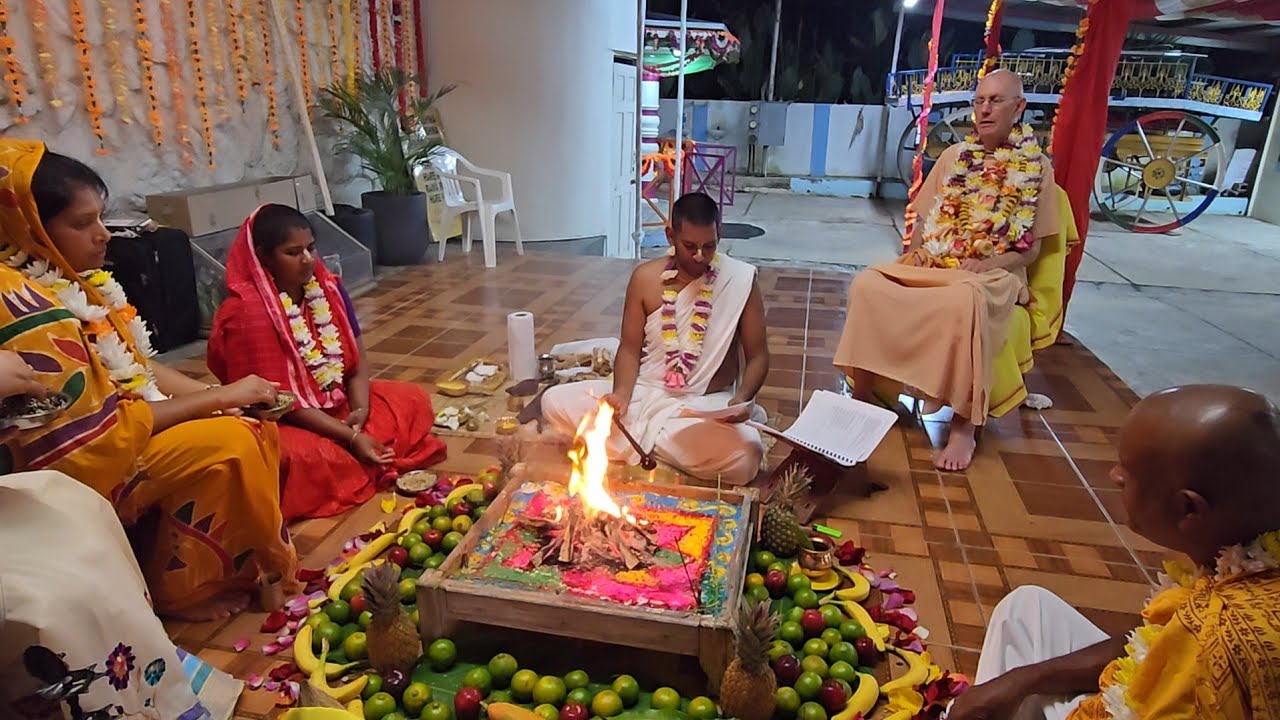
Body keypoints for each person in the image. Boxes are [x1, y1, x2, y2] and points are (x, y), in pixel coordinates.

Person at [0, 139, 299, 621]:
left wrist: (217, 396)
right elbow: (102, 434)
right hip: (82, 467)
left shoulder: (72, 278)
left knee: (243, 418)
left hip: (121, 431)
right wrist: (220, 399)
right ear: (29, 225)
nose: (103, 236)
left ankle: (237, 567)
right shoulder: (28, 304)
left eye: (102, 217)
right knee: (233, 440)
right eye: (82, 224)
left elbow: (138, 368)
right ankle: (181, 590)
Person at [947, 384, 1280, 720]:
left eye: (1128, 471)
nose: (1114, 476)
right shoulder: (1242, 553)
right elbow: (1150, 638)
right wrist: (1022, 680)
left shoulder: (1218, 640)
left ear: (1188, 509)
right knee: (1026, 609)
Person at [834, 69, 1059, 471]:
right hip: (938, 263)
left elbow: (1031, 251)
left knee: (963, 299)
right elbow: (924, 222)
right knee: (868, 283)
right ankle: (862, 396)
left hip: (997, 275)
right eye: (979, 101)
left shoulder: (1037, 167)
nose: (984, 109)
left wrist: (988, 262)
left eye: (995, 101)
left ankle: (963, 425)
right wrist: (918, 255)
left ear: (1019, 107)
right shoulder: (956, 157)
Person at [207, 204, 446, 521]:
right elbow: (277, 402)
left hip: (340, 406)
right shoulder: (246, 314)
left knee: (411, 400)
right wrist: (351, 436)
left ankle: (356, 453)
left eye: (311, 248)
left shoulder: (329, 290)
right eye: (293, 252)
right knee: (301, 459)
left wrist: (360, 413)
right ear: (265, 257)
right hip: (287, 420)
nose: (307, 259)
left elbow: (358, 362)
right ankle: (354, 455)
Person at [541, 192, 769, 485]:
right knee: (554, 402)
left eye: (709, 246)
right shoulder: (645, 279)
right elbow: (630, 349)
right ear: (670, 235)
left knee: (746, 455)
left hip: (705, 407)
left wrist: (741, 400)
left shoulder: (740, 280)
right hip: (645, 396)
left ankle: (634, 442)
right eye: (690, 247)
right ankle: (659, 443)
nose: (700, 256)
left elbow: (758, 356)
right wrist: (621, 395)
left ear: (719, 235)